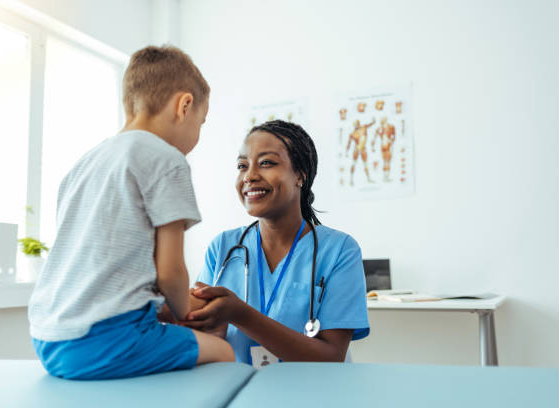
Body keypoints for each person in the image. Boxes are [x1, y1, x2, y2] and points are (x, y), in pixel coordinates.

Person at [28, 45, 234, 380]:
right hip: (105, 338)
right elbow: (170, 272)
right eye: (201, 122)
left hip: (48, 339)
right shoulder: (167, 160)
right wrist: (184, 314)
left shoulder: (85, 163)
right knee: (222, 351)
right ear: (184, 106)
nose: (198, 134)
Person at [183, 120, 370, 365]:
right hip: (240, 393)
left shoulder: (340, 250)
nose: (249, 176)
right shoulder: (223, 247)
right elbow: (201, 330)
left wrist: (241, 315)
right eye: (242, 165)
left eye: (266, 163)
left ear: (300, 175)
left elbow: (332, 356)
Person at [346, 118, 376, 184]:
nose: (356, 125)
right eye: (355, 124)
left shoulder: (364, 128)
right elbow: (349, 143)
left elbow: (369, 125)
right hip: (357, 149)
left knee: (365, 164)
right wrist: (347, 151)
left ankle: (368, 179)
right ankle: (351, 180)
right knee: (354, 163)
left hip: (363, 149)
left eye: (356, 124)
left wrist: (373, 122)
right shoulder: (353, 133)